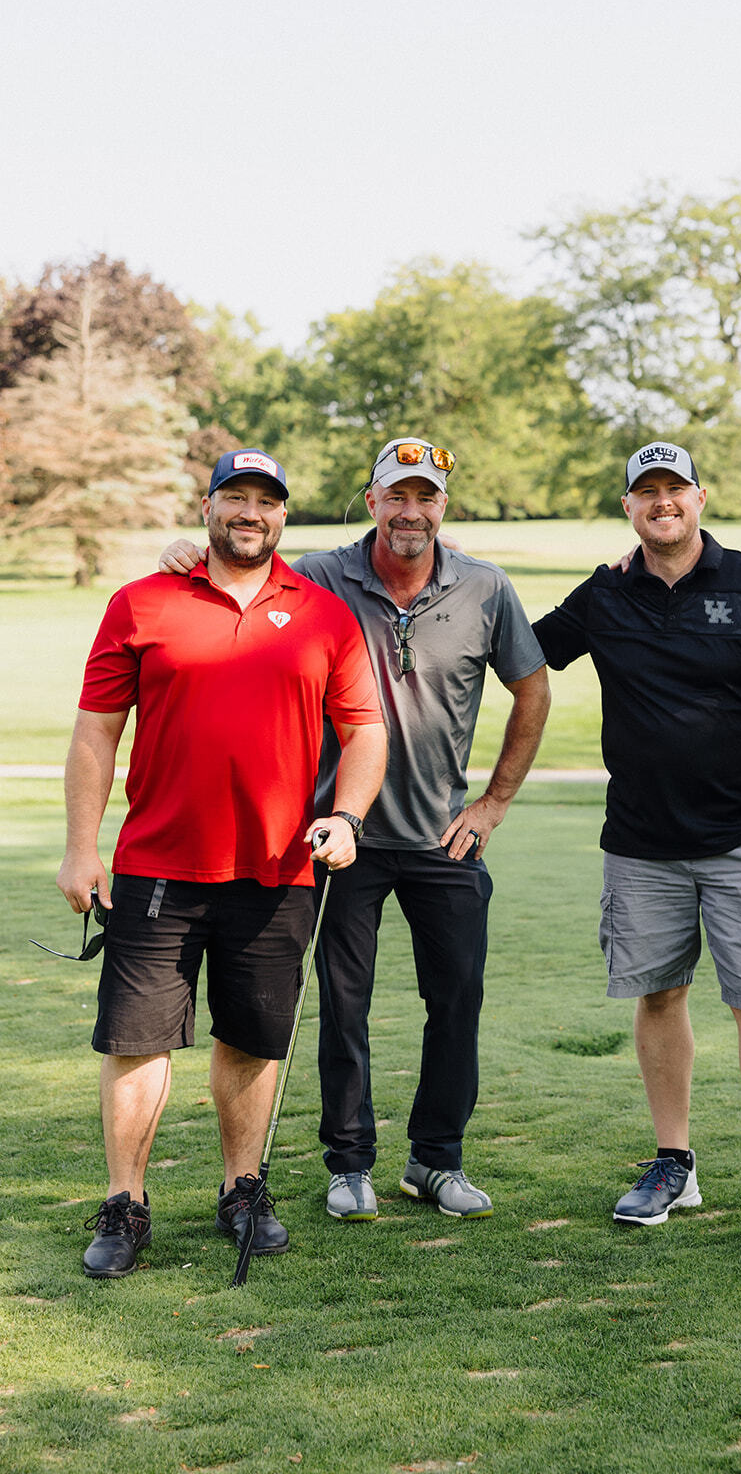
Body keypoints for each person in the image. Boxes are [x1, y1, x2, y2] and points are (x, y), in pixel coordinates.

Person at [160, 438, 550, 1222]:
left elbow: (532, 691)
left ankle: (436, 1161)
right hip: (342, 837)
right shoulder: (316, 576)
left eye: (425, 497)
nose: (410, 511)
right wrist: (181, 555)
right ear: (370, 501)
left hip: (445, 838)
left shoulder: (484, 586)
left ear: (443, 506)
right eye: (395, 495)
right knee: (343, 1005)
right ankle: (349, 1165)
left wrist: (494, 803)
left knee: (457, 1001)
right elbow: (237, 567)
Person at [59, 448, 387, 1279]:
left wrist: (347, 816)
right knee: (136, 1043)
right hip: (157, 867)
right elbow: (97, 730)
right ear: (207, 508)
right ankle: (125, 1204)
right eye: (234, 497)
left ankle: (243, 1191)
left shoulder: (322, 614)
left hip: (277, 871)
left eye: (265, 501)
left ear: (284, 516)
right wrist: (80, 847)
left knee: (250, 1039)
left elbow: (365, 731)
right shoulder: (141, 602)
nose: (250, 513)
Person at [532, 441, 741, 1270]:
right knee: (658, 996)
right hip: (640, 844)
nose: (662, 502)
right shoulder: (604, 592)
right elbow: (514, 647)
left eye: (675, 488)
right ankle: (673, 1163)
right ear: (627, 506)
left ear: (699, 497)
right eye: (645, 491)